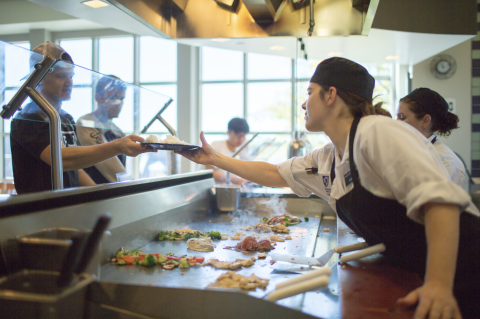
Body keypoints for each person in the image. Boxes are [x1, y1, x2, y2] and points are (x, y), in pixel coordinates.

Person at [180, 57, 480, 319]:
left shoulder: (377, 131)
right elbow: (275, 173)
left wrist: (439, 285)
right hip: (422, 269)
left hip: (464, 270)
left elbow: (440, 201)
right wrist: (214, 158)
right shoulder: (329, 155)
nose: (303, 102)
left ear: (331, 95)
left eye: (309, 93)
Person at [10, 42, 155, 194]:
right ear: (38, 77)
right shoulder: (27, 119)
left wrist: (99, 195)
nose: (69, 82)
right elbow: (62, 160)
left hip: (65, 206)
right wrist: (117, 146)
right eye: (61, 76)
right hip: (40, 210)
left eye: (71, 76)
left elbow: (75, 168)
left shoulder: (65, 118)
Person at [397, 88, 467, 190]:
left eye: (402, 118)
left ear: (425, 121)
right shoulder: (406, 150)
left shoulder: (446, 161)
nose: (396, 123)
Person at [76, 75, 128, 183]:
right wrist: (130, 187)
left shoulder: (118, 130)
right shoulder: (86, 123)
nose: (119, 104)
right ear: (98, 98)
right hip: (95, 195)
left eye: (122, 99)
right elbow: (108, 163)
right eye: (113, 98)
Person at [207, 118, 251, 185]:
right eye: (239, 136)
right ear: (229, 132)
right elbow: (210, 172)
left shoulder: (239, 151)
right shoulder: (216, 146)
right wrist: (234, 179)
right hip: (210, 190)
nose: (241, 139)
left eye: (244, 136)